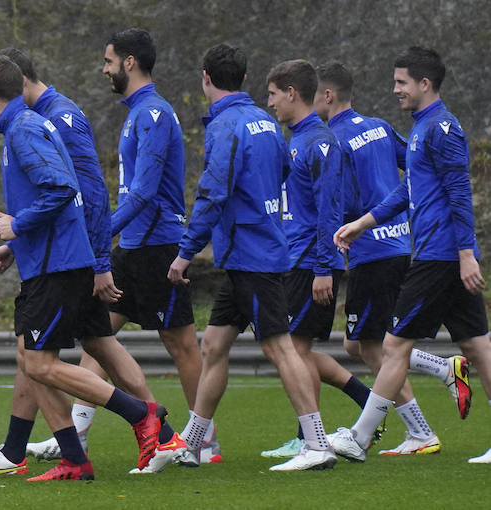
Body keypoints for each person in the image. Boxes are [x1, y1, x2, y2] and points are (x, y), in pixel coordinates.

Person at [0, 55, 161, 482]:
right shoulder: (24, 126)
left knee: (38, 363)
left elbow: (62, 188)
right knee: (36, 356)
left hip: (59, 265)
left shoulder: (25, 129)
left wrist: (18, 226)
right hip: (53, 260)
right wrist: (14, 244)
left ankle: (144, 416)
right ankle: (74, 459)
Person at [27, 29, 211, 464]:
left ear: (129, 63)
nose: (104, 68)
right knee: (98, 338)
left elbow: (144, 192)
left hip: (153, 245)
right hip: (136, 243)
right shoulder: (139, 113)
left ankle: (200, 440)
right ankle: (84, 432)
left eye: (109, 61)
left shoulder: (153, 114)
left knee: (180, 344)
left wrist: (101, 231)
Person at [169, 43, 337, 472]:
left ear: (206, 78)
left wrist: (186, 252)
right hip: (253, 250)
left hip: (252, 255)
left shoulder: (226, 126)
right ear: (243, 80)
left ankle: (317, 444)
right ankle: (193, 441)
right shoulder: (266, 123)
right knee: (214, 343)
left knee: (280, 348)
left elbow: (213, 192)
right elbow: (278, 176)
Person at [329, 46, 491, 464]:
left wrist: (466, 254)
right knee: (477, 347)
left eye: (401, 82)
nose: (394, 89)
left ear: (424, 84)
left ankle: (360, 437)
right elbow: (408, 190)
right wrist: (364, 222)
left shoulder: (442, 128)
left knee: (394, 344)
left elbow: (459, 194)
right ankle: (390, 432)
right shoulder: (422, 127)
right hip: (441, 254)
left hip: (440, 257)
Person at [258, 59, 374, 459]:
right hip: (292, 260)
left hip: (311, 263)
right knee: (295, 349)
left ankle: (311, 439)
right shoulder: (295, 139)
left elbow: (329, 211)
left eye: (273, 94)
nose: (269, 102)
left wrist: (324, 269)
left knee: (293, 350)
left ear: (291, 92)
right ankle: (363, 400)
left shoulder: (320, 142)